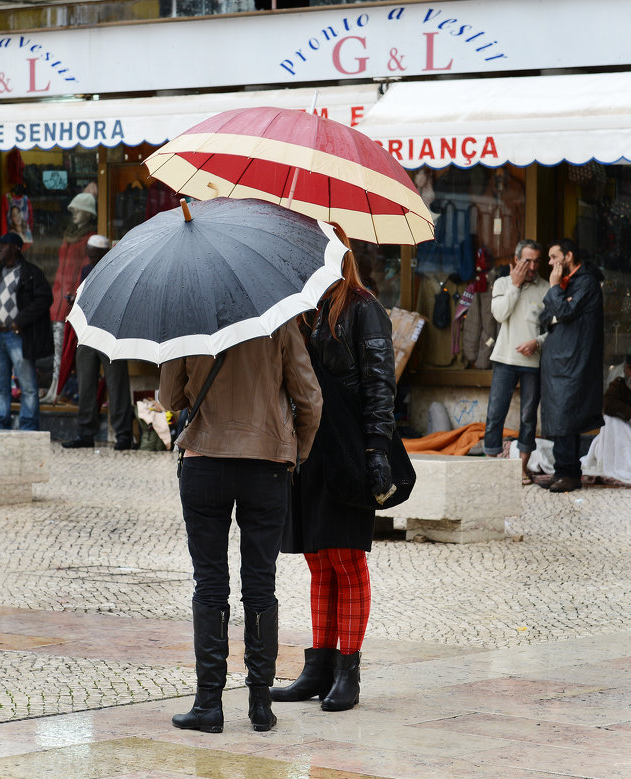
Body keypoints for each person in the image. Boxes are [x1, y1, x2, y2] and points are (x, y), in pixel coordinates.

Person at [159, 321, 322, 734]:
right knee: (260, 584)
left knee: (210, 582)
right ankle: (261, 704)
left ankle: (208, 704)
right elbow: (310, 399)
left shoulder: (188, 319)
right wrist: (295, 453)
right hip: (265, 466)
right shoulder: (279, 323)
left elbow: (169, 398)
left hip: (204, 461)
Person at [272, 225, 395, 713]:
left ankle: (348, 670)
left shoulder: (363, 307)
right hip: (310, 450)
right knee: (317, 558)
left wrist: (377, 450)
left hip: (349, 447)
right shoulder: (304, 309)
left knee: (346, 558)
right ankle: (318, 667)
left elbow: (381, 384)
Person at [538, 238, 604, 492]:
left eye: (554, 257)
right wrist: (558, 302)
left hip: (575, 360)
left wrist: (555, 291)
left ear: (569, 256)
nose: (551, 263)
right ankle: (562, 471)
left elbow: (564, 313)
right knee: (559, 416)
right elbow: (546, 317)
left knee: (567, 415)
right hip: (560, 360)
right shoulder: (568, 283)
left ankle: (569, 473)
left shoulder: (586, 281)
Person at [483, 239, 548, 483]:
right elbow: (500, 314)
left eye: (536, 261)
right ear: (516, 261)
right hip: (505, 358)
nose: (532, 266)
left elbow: (555, 328)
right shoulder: (502, 283)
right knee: (495, 413)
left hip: (534, 361)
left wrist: (537, 342)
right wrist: (516, 285)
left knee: (529, 416)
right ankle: (492, 466)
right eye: (527, 261)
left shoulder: (546, 288)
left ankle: (522, 467)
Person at [62, 235, 134, 451]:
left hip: (111, 331)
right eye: (89, 253)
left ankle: (123, 435)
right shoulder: (86, 270)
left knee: (116, 383)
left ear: (103, 253)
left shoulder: (118, 269)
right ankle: (85, 433)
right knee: (86, 384)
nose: (90, 258)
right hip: (88, 332)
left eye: (94, 254)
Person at [0, 232, 53, 431]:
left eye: (4, 245)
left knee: (27, 385)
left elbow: (45, 299)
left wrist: (20, 320)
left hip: (19, 336)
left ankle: (28, 426)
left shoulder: (30, 273)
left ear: (16, 248)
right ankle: (1, 424)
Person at [43, 192, 97, 403]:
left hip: (72, 302)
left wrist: (75, 296)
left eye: (79, 210)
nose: (74, 213)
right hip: (58, 301)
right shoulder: (68, 236)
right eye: (72, 209)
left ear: (89, 213)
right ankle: (54, 388)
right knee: (58, 351)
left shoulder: (89, 239)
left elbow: (85, 272)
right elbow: (60, 271)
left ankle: (61, 389)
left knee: (71, 353)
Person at [581, 352, 631, 485]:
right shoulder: (618, 385)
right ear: (625, 370)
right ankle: (622, 464)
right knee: (611, 419)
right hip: (624, 437)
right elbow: (608, 405)